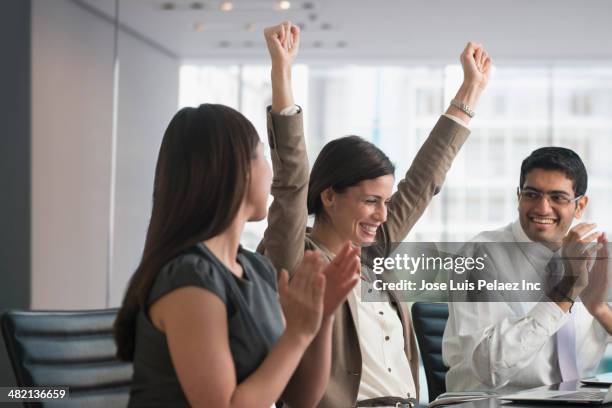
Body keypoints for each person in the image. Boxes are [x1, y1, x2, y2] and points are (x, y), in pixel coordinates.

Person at [258, 21, 492, 406]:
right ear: (330, 197)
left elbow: (422, 184)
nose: (383, 215)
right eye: (370, 201)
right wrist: (282, 72)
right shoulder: (296, 259)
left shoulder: (369, 255)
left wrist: (470, 91)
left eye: (385, 202)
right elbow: (291, 182)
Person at [113, 102, 361, 407]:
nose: (271, 171)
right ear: (239, 168)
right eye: (263, 155)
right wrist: (296, 334)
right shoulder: (189, 279)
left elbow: (300, 399)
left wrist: (321, 318)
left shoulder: (257, 269)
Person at [443, 147, 611, 393]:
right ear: (518, 197)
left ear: (580, 206)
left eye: (558, 197)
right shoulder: (479, 255)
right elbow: (488, 367)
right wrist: (564, 293)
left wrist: (600, 309)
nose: (543, 208)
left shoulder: (598, 257)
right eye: (532, 194)